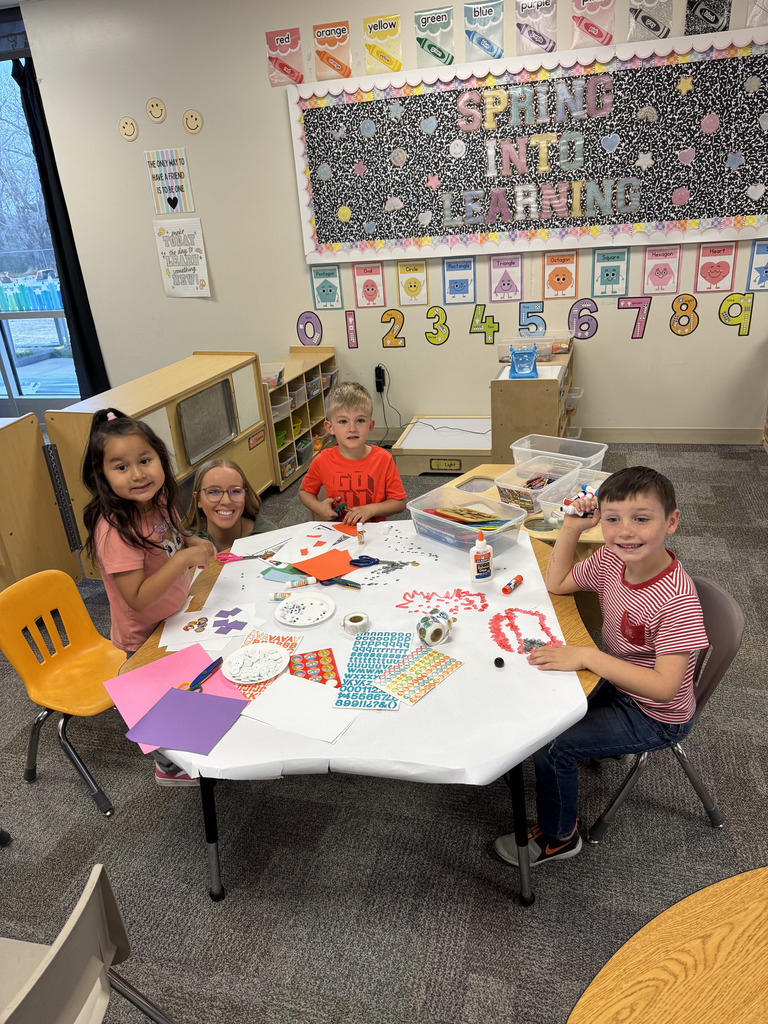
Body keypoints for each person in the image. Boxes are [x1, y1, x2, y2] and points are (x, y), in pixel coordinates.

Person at [494, 466, 709, 867]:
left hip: (655, 714)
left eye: (641, 519)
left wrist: (589, 656)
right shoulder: (611, 558)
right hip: (618, 678)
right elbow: (556, 583)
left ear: (672, 522)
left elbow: (664, 688)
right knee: (542, 693)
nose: (625, 531)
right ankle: (602, 747)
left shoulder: (677, 600)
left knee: (553, 742)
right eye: (612, 520)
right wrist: (573, 527)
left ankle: (561, 837)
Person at [82, 408, 216, 786]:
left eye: (145, 460)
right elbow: (137, 598)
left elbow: (170, 536)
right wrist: (184, 560)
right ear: (101, 476)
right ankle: (168, 767)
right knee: (162, 701)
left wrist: (190, 541)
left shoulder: (156, 500)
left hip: (174, 612)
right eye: (121, 467)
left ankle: (191, 740)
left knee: (190, 685)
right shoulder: (114, 529)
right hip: (144, 633)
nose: (139, 474)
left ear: (160, 458)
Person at [299, 380, 407, 524]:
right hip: (337, 533)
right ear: (330, 427)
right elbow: (304, 491)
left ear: (371, 425)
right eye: (343, 421)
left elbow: (399, 502)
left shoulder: (383, 459)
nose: (352, 428)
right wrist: (318, 508)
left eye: (360, 420)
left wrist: (370, 510)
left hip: (373, 535)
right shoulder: (322, 460)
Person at [181, 457, 277, 551]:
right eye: (213, 492)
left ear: (245, 496)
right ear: (198, 499)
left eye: (235, 491)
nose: (226, 501)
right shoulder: (185, 545)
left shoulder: (272, 537)